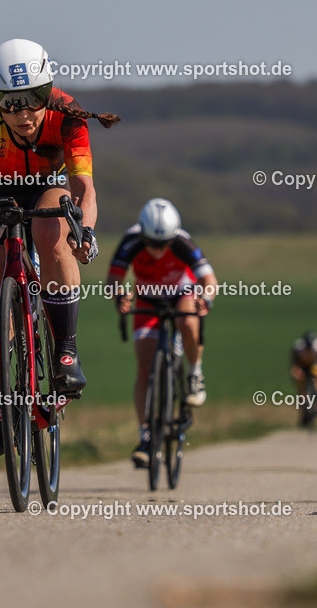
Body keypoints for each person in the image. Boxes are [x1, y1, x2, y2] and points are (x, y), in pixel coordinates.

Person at [0, 38, 119, 456]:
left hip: (47, 187)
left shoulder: (67, 114)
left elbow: (84, 187)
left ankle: (66, 351)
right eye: (9, 103)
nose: (23, 112)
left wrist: (84, 232)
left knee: (53, 237)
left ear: (47, 91)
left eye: (33, 99)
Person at [106, 198, 218, 468]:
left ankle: (194, 372)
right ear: (142, 234)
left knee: (190, 324)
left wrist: (206, 299)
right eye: (151, 243)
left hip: (181, 293)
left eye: (163, 243)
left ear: (173, 236)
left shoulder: (182, 241)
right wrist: (119, 296)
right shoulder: (131, 240)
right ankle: (145, 434)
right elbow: (113, 279)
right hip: (147, 298)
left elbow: (209, 280)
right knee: (144, 364)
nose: (157, 249)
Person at [290, 331, 317, 425]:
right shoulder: (298, 348)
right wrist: (296, 372)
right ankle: (303, 408)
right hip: (302, 366)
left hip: (315, 365)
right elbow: (294, 362)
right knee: (301, 386)